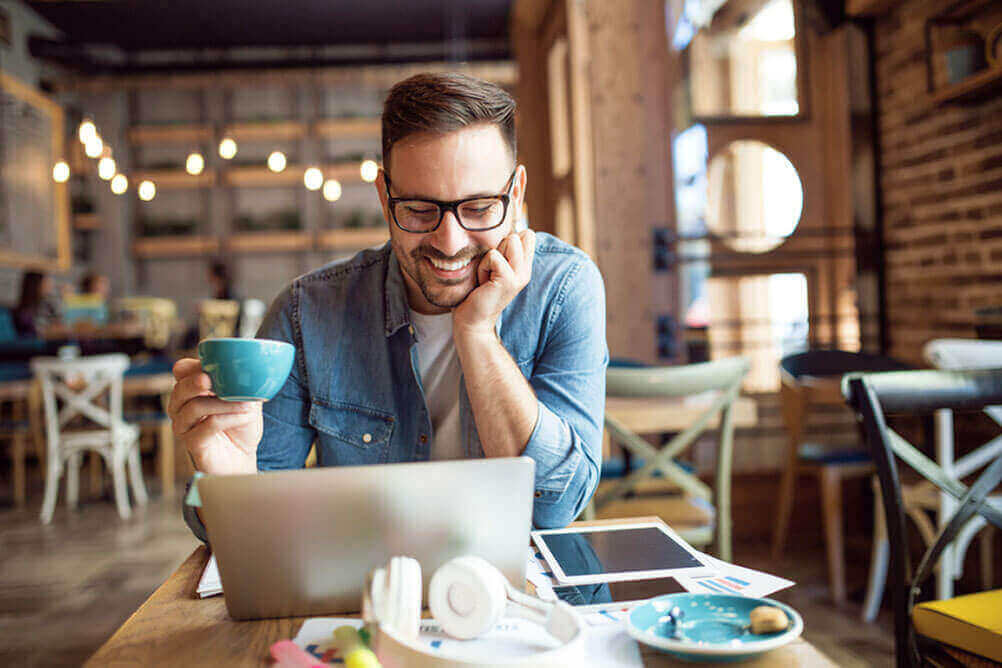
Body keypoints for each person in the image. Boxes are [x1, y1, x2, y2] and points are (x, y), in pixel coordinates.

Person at [168, 73, 608, 537]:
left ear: (515, 194)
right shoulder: (307, 312)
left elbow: (556, 506)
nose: (450, 242)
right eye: (419, 209)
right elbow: (248, 531)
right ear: (384, 196)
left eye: (479, 208)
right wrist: (228, 484)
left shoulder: (563, 288)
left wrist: (476, 333)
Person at [12, 270, 59, 338]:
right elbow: (37, 333)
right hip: (35, 343)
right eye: (46, 283)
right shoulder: (24, 312)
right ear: (36, 285)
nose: (50, 287)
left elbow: (58, 324)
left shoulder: (48, 305)